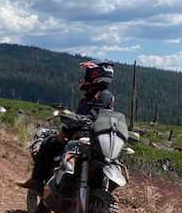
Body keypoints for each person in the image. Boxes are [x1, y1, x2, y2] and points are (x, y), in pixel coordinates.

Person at [16, 60, 116, 193]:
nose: (84, 77)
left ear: (94, 75)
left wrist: (66, 130)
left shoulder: (103, 96)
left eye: (87, 73)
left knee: (47, 143)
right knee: (50, 141)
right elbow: (81, 118)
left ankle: (36, 181)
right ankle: (51, 179)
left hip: (88, 139)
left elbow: (91, 119)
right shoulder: (89, 97)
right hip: (83, 137)